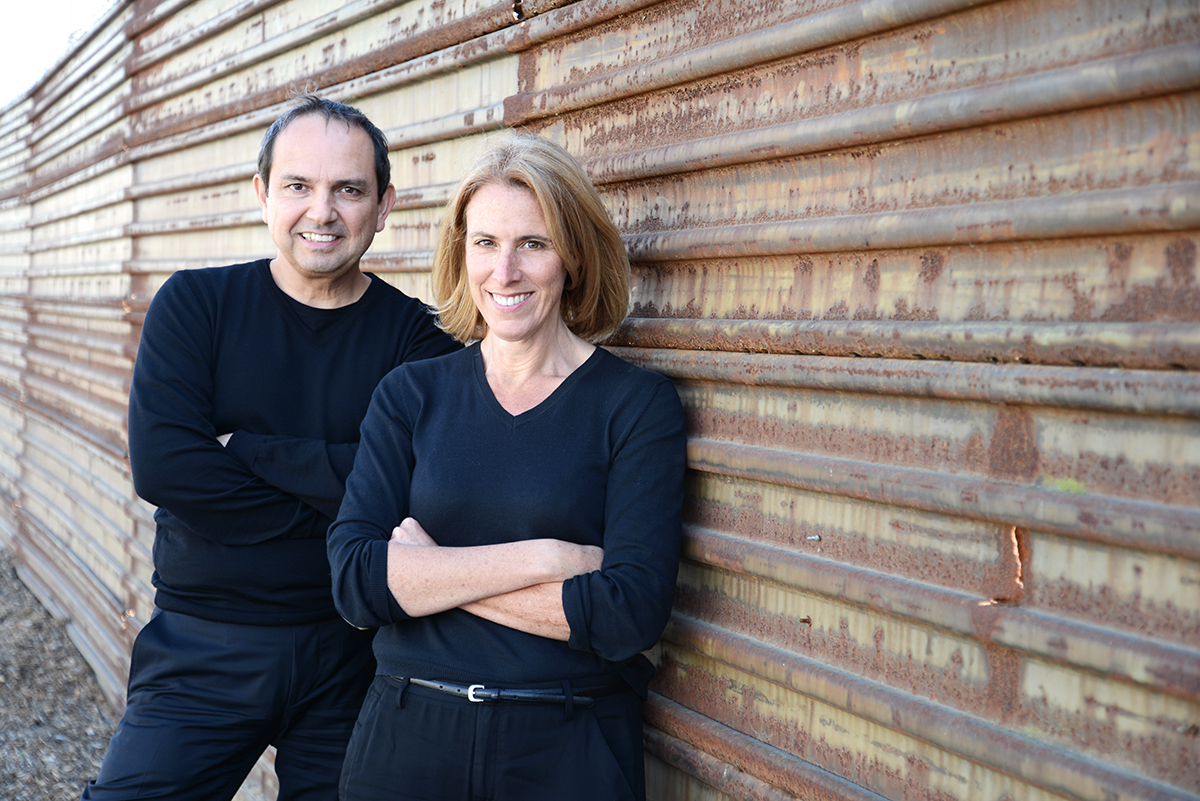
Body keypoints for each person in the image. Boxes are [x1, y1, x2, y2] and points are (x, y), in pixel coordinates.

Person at [83, 95, 460, 801]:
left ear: (383, 206)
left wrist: (249, 451)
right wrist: (351, 518)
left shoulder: (418, 344)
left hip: (357, 654)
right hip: (203, 645)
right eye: (298, 186)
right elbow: (167, 466)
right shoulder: (197, 307)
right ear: (262, 194)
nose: (322, 211)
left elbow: (426, 487)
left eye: (348, 189)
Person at [327, 131, 688, 801]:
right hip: (408, 740)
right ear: (463, 256)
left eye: (534, 244)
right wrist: (549, 559)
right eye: (485, 243)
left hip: (567, 746)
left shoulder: (635, 405)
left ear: (573, 257)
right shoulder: (411, 394)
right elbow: (354, 580)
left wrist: (429, 572)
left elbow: (628, 613)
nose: (506, 271)